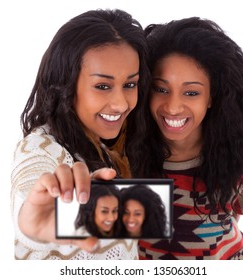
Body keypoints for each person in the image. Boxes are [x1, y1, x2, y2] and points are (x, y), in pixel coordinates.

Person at [10, 8, 150, 260]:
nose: (120, 103)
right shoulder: (40, 146)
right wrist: (33, 222)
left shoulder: (112, 147)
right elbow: (32, 176)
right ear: (65, 85)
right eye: (102, 86)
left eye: (130, 85)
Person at [133, 18, 243, 259]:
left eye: (191, 92)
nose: (173, 107)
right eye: (161, 89)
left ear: (211, 97)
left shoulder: (241, 154)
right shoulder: (125, 154)